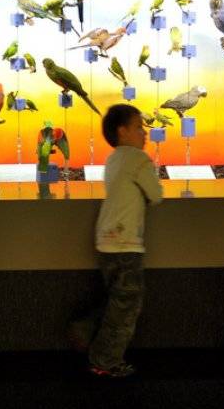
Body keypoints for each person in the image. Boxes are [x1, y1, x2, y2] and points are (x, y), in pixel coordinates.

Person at [69, 104, 163, 378]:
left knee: (117, 299)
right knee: (127, 307)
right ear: (123, 132)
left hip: (105, 241)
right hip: (126, 244)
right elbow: (156, 195)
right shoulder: (138, 160)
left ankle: (85, 328)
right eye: (138, 127)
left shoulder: (113, 159)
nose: (144, 133)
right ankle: (105, 360)